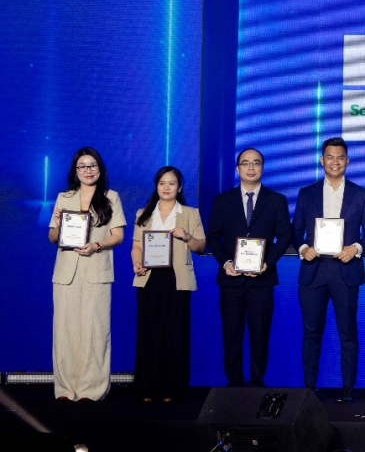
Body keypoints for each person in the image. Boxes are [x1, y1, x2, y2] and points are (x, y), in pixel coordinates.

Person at [292, 137, 365, 402]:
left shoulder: (361, 194)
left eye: (340, 157)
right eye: (330, 157)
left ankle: (348, 388)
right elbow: (295, 231)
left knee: (347, 332)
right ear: (322, 160)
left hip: (346, 269)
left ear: (347, 161)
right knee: (311, 332)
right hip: (313, 270)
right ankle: (309, 388)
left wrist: (356, 248)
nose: (335, 162)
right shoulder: (306, 193)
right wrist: (303, 248)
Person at [205, 147, 293, 387]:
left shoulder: (276, 200)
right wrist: (226, 262)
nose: (251, 168)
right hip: (231, 280)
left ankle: (256, 382)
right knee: (231, 334)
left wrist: (268, 262)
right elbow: (213, 236)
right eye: (246, 163)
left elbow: (285, 236)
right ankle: (234, 383)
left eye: (256, 163)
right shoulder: (222, 200)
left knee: (260, 334)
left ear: (262, 167)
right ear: (237, 169)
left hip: (262, 280)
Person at [48, 147, 127, 401]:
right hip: (66, 272)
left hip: (96, 269)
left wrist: (97, 245)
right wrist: (58, 223)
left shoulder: (111, 197)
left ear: (99, 169)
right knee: (65, 329)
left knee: (95, 329)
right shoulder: (63, 198)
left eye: (92, 165)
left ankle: (91, 389)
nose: (88, 170)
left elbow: (118, 235)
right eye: (82, 166)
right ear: (75, 171)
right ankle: (65, 389)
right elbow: (52, 237)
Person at [131, 166, 206, 402]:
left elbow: (201, 247)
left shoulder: (190, 213)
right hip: (149, 277)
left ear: (179, 188)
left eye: (172, 183)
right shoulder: (143, 214)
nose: (166, 187)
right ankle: (147, 388)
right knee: (149, 332)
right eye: (162, 183)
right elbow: (136, 246)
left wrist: (187, 236)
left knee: (175, 333)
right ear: (156, 186)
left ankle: (173, 389)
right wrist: (136, 263)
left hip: (177, 278)